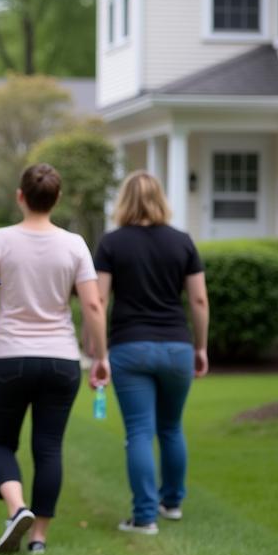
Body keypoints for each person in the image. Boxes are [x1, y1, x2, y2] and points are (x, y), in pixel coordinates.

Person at [0, 163, 109, 555]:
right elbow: (92, 303)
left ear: (21, 196)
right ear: (57, 199)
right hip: (60, 359)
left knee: (0, 442)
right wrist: (100, 357)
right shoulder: (74, 245)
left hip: (9, 356)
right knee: (48, 447)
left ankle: (16, 507)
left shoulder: (0, 240)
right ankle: (38, 538)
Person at [93, 170, 210, 534]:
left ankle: (145, 516)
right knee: (172, 427)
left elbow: (98, 300)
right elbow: (199, 299)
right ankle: (171, 502)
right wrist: (201, 346)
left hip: (131, 347)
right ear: (160, 198)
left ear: (124, 200)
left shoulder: (112, 243)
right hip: (177, 346)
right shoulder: (182, 242)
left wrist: (98, 354)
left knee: (140, 432)